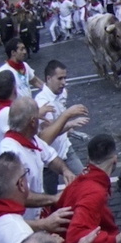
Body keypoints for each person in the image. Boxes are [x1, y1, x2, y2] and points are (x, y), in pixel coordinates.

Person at [0, 98, 75, 221]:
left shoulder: (32, 139)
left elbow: (51, 157)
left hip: (38, 215)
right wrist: (53, 199)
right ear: (33, 122)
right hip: (22, 223)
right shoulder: (9, 151)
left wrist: (65, 170)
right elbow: (19, 195)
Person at [34, 60, 89, 195]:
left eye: (65, 78)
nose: (64, 82)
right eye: (60, 78)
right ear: (48, 78)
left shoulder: (62, 93)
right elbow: (47, 136)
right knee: (49, 197)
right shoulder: (42, 102)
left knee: (86, 183)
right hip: (48, 159)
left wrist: (69, 129)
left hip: (65, 149)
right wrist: (69, 121)